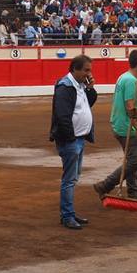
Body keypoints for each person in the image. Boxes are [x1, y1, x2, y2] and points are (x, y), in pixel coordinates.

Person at [92, 49, 137, 207]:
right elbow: (130, 107)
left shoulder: (123, 77)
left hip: (118, 123)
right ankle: (106, 185)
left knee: (131, 159)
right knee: (135, 161)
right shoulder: (131, 80)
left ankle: (133, 192)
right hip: (126, 126)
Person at [49, 54, 98, 230]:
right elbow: (62, 116)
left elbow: (87, 104)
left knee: (73, 178)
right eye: (86, 70)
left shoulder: (78, 85)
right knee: (69, 179)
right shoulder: (65, 87)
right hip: (71, 141)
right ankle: (67, 215)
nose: (89, 74)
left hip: (78, 139)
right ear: (75, 69)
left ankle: (69, 213)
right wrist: (70, 139)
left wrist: (90, 88)